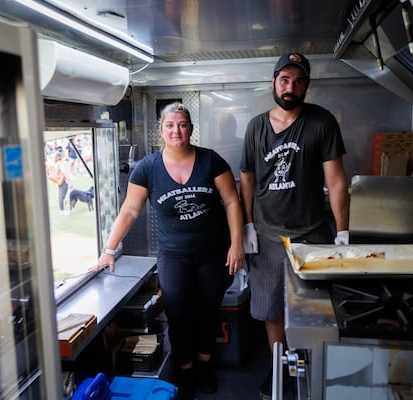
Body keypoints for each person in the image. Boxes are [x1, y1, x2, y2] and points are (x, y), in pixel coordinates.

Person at [94, 102, 245, 400]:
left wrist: (237, 244)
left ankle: (204, 365)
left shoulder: (210, 160)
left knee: (207, 313)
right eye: (170, 125)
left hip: (213, 253)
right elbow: (130, 209)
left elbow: (231, 202)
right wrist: (109, 249)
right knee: (178, 314)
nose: (177, 131)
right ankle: (185, 369)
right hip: (174, 255)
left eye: (183, 124)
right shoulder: (149, 168)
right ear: (160, 130)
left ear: (191, 128)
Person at [239, 53, 349, 400]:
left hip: (312, 234)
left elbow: (336, 181)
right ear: (273, 82)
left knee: (313, 310)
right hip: (268, 235)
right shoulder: (256, 126)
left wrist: (342, 232)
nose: (291, 87)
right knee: (271, 309)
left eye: (298, 81)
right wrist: (246, 225)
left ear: (307, 85)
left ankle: (309, 368)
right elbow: (246, 177)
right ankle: (280, 367)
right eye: (284, 79)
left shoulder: (322, 122)